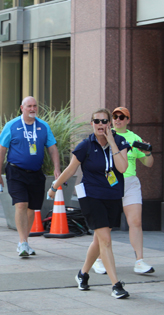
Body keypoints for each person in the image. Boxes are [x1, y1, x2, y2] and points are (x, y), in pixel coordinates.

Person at [48, 108, 130, 299]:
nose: (101, 125)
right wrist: (54, 187)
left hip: (112, 195)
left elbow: (123, 167)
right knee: (106, 241)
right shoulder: (86, 145)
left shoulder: (119, 142)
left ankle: (82, 274)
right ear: (92, 123)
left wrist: (111, 142)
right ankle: (116, 285)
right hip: (91, 196)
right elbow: (70, 170)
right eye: (97, 121)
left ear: (110, 123)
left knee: (99, 240)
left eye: (104, 121)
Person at [91, 107, 155, 275]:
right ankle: (98, 260)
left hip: (130, 182)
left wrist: (147, 153)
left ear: (128, 119)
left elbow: (149, 164)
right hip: (110, 183)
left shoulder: (134, 138)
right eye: (115, 116)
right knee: (105, 225)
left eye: (122, 117)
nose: (118, 119)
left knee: (136, 221)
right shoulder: (106, 134)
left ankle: (139, 261)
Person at [0, 97, 60, 256]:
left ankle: (25, 241)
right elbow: (1, 151)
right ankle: (22, 242)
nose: (32, 109)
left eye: (35, 106)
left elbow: (52, 148)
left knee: (32, 209)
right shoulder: (12, 126)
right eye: (29, 106)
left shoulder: (43, 126)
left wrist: (57, 169)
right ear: (22, 108)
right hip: (16, 171)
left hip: (36, 173)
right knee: (21, 204)